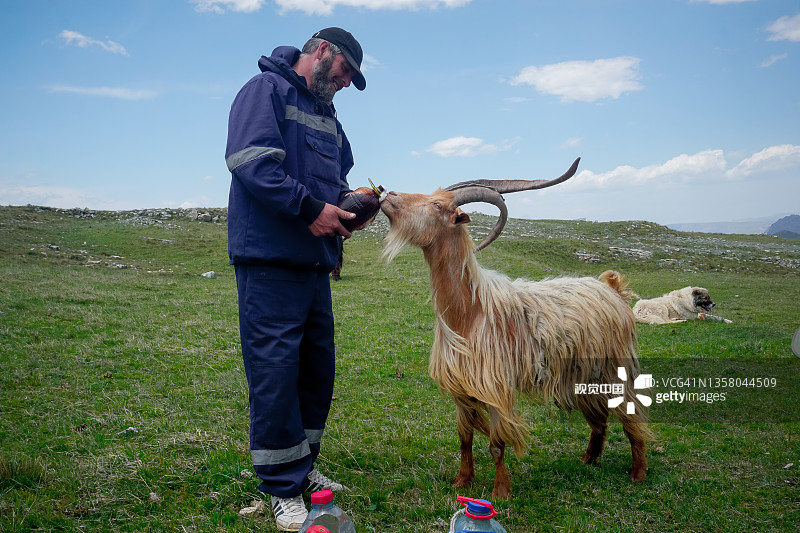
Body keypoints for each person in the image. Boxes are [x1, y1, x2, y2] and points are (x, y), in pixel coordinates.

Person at [225, 27, 367, 531]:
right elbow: (252, 163)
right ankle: (282, 487)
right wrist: (311, 210)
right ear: (323, 52)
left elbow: (337, 178)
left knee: (314, 371)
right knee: (275, 374)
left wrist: (350, 210)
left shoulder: (329, 116)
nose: (346, 82)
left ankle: (304, 467)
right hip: (269, 261)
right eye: (346, 70)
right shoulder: (265, 91)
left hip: (314, 264)